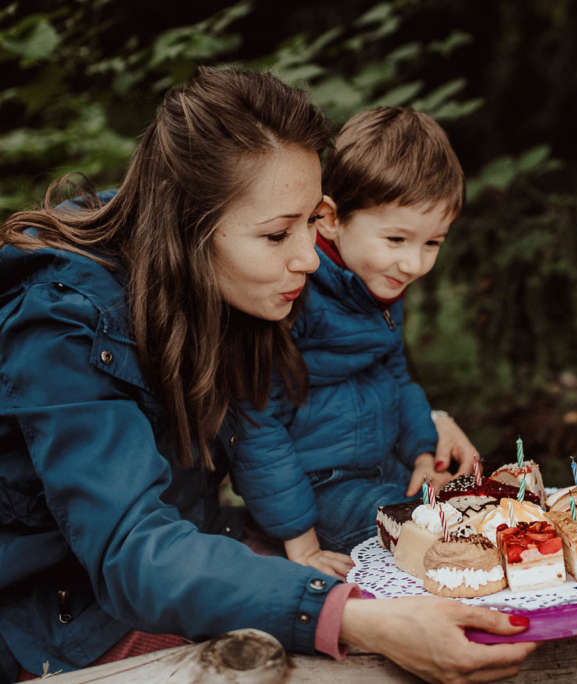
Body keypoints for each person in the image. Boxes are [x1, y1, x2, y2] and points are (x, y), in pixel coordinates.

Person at [0, 66, 534, 682]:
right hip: (64, 623)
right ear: (187, 225)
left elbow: (327, 381)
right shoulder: (62, 325)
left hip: (199, 556)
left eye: (311, 222)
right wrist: (348, 616)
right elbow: (132, 551)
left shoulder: (233, 282)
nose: (308, 257)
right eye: (279, 232)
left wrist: (428, 422)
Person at [230, 106, 473, 571]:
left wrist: (424, 456)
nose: (415, 264)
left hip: (383, 472)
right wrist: (301, 544)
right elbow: (256, 427)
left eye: (432, 243)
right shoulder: (292, 297)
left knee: (476, 506)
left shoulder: (378, 284)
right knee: (439, 541)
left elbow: (397, 377)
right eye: (397, 239)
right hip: (317, 494)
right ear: (329, 219)